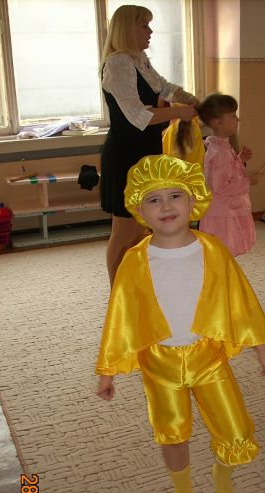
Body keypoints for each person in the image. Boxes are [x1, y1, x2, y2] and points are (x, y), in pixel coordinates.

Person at [95, 155, 265, 493]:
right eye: (154, 199)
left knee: (236, 430)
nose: (166, 206)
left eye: (175, 195)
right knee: (172, 432)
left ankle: (222, 473)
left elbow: (240, 300)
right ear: (139, 210)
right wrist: (107, 369)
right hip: (159, 364)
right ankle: (183, 490)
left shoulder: (213, 250)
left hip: (208, 357)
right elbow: (120, 318)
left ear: (193, 199)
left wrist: (262, 347)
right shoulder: (133, 261)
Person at [100, 4, 199, 286]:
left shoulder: (138, 60)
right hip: (126, 156)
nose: (150, 31)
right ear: (127, 29)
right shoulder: (118, 63)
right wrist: (180, 112)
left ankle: (135, 288)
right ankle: (118, 294)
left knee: (142, 229)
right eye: (144, 25)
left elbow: (164, 87)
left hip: (145, 154)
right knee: (124, 231)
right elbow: (138, 116)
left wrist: (192, 100)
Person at [196, 93, 262, 257]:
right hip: (223, 214)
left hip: (225, 211)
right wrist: (248, 181)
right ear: (218, 122)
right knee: (223, 252)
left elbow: (226, 173)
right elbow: (221, 186)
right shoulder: (220, 152)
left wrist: (240, 159)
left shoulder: (221, 147)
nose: (237, 119)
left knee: (223, 253)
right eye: (233, 116)